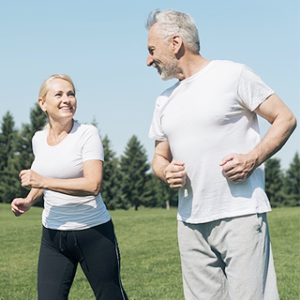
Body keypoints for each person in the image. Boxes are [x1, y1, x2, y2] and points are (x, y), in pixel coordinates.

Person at [146, 9, 296, 300]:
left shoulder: (233, 75)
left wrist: (252, 159)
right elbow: (158, 158)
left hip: (239, 215)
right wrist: (165, 172)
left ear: (176, 43)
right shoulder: (164, 100)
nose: (149, 60)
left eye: (152, 50)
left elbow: (285, 118)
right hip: (189, 222)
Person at [11, 74, 128, 300]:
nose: (67, 99)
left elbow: (93, 184)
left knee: (110, 295)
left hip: (92, 232)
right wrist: (29, 200)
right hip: (53, 236)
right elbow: (42, 179)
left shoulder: (86, 134)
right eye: (59, 94)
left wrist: (43, 182)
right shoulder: (38, 139)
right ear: (42, 103)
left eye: (71, 93)